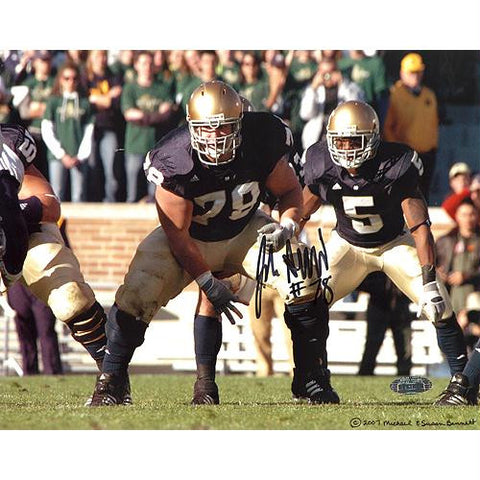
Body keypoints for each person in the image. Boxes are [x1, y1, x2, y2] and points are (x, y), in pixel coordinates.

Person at [88, 80, 335, 407]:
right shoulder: (173, 157)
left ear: (240, 124)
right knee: (138, 290)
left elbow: (290, 191)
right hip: (191, 237)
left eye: (224, 129)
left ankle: (310, 377)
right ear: (191, 127)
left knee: (301, 271)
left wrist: (288, 224)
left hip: (246, 230)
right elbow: (177, 233)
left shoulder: (263, 137)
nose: (215, 138)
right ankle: (112, 380)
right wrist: (206, 280)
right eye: (206, 130)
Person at [301, 100, 468, 399]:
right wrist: (286, 228)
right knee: (308, 303)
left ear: (374, 138)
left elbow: (419, 225)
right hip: (347, 244)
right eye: (340, 141)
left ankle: (463, 381)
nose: (347, 149)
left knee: (437, 302)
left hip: (392, 243)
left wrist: (429, 277)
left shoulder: (395, 164)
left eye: (355, 141)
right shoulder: (322, 163)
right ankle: (315, 379)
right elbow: (301, 209)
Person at [0, 123, 129, 401]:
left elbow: (48, 204)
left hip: (21, 232)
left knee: (68, 296)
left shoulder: (8, 146)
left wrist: (10, 213)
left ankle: (112, 375)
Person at [121, 50, 177, 203]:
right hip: (134, 144)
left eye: (150, 63)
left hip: (156, 147)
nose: (147, 67)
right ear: (136, 66)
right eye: (144, 63)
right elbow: (129, 113)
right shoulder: (130, 88)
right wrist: (154, 116)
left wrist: (144, 116)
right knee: (132, 194)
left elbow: (166, 111)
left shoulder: (162, 88)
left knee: (155, 195)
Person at [383, 53, 439, 202]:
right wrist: (398, 150)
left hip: (427, 153)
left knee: (424, 194)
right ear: (402, 73)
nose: (416, 76)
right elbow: (387, 126)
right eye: (412, 72)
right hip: (406, 154)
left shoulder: (429, 94)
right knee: (406, 194)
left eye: (418, 72)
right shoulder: (394, 94)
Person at [41, 62, 94, 202]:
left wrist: (81, 156)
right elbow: (47, 130)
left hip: (78, 156)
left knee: (79, 194)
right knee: (56, 194)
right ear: (60, 80)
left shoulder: (85, 102)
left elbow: (89, 131)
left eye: (74, 78)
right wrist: (61, 154)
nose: (70, 82)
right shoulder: (53, 101)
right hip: (57, 156)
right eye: (66, 78)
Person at [299, 57, 364, 150]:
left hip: (341, 140)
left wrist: (342, 84)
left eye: (331, 72)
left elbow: (356, 110)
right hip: (316, 140)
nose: (327, 76)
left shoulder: (350, 87)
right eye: (324, 73)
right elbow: (305, 114)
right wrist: (313, 88)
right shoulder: (313, 89)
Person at [85, 50, 123, 202]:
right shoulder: (84, 77)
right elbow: (85, 101)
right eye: (97, 56)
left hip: (109, 128)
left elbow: (114, 102)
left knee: (111, 169)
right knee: (92, 167)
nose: (101, 59)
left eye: (103, 56)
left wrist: (96, 99)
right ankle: (93, 201)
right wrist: (107, 97)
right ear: (90, 58)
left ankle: (110, 200)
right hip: (90, 128)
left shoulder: (113, 76)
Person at [357, 272, 413, 376]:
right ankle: (365, 372)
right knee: (373, 343)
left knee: (404, 344)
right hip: (379, 302)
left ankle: (404, 374)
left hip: (398, 302)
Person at [435, 198, 480, 315]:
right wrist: (439, 273)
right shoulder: (445, 241)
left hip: (475, 294)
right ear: (457, 216)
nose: (468, 219)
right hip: (450, 295)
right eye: (464, 215)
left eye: (472, 214)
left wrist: (465, 276)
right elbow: (430, 263)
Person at [7, 282, 63, 375]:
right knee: (25, 335)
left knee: (46, 333)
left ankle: (53, 374)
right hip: (18, 282)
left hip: (42, 282)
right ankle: (29, 373)